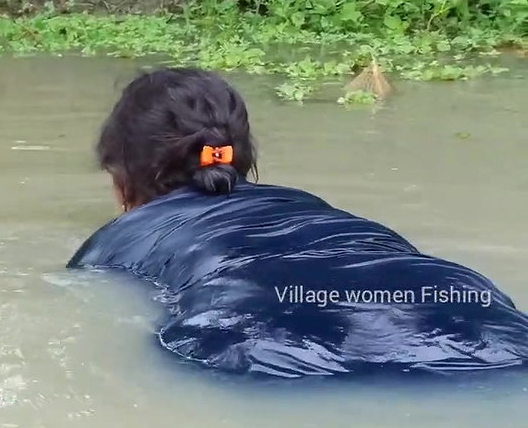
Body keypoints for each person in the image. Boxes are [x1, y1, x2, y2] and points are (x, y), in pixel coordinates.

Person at [66, 67, 528, 379]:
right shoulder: (309, 206)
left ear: (122, 173)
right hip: (464, 304)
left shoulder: (119, 243)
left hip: (262, 333)